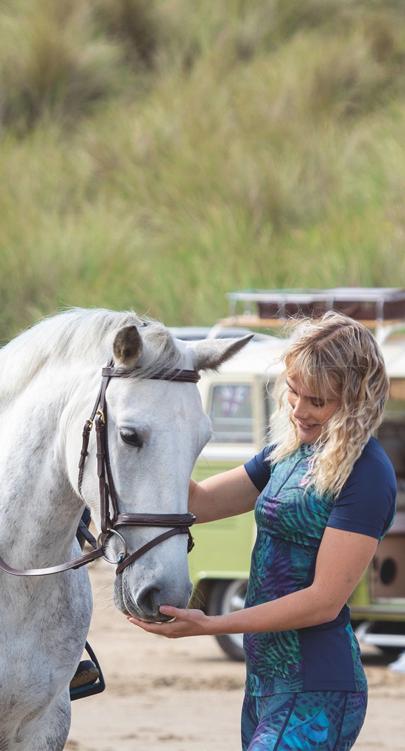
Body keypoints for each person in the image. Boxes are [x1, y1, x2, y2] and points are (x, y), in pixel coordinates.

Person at [130, 313, 396, 751]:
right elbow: (198, 501)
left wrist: (213, 624)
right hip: (263, 685)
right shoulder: (288, 453)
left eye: (317, 401)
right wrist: (146, 436)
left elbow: (324, 602)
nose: (298, 410)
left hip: (318, 689)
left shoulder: (367, 474)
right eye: (293, 390)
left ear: (356, 400)